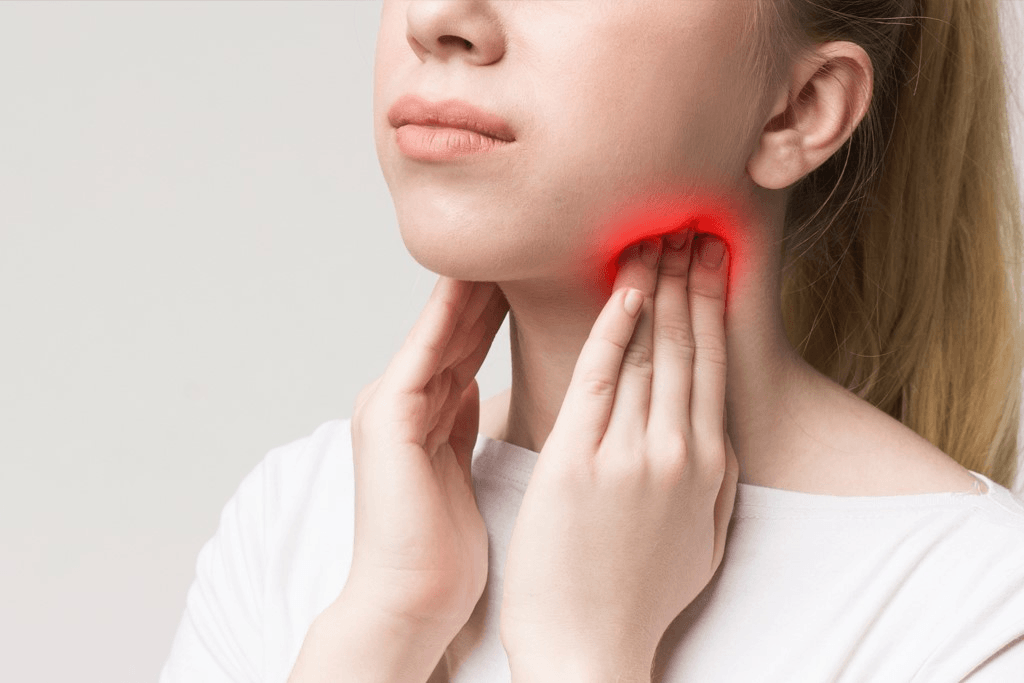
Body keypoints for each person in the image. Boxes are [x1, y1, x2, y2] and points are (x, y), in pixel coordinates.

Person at [161, 1, 1024, 681]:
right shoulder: (300, 521)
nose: (438, 18)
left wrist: (583, 658)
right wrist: (382, 631)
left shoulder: (977, 617)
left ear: (799, 109)